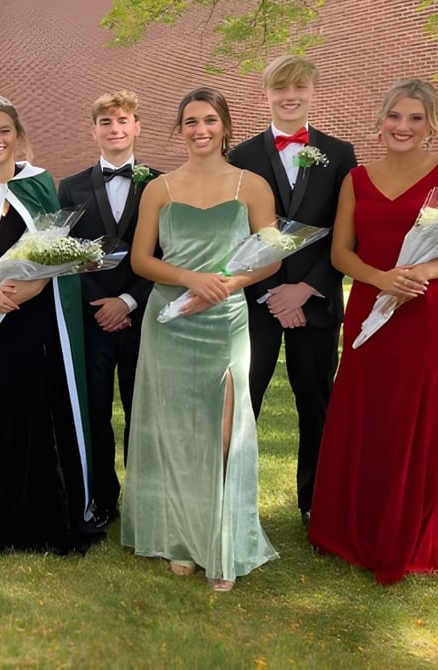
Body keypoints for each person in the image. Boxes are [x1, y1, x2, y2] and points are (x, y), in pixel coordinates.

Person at [121, 88, 279, 591]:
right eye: (189, 121)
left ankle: (222, 539)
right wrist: (192, 280)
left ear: (225, 126)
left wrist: (226, 285)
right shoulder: (159, 189)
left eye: (209, 120)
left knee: (224, 427)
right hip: (170, 320)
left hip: (226, 320)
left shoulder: (252, 186)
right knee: (176, 429)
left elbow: (271, 258)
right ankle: (182, 537)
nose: (200, 129)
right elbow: (141, 260)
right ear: (179, 129)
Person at [0, 94, 95, 554]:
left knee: (32, 408)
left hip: (32, 321)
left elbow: (55, 250)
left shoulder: (40, 184)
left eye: (4, 131)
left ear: (18, 136)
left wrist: (34, 288)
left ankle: (40, 509)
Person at [309, 78, 438, 584]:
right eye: (395, 116)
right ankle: (350, 527)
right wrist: (380, 277)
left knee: (413, 416)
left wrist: (418, 276)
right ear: (381, 120)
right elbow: (340, 252)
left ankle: (407, 531)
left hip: (423, 312)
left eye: (415, 118)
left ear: (431, 125)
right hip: (368, 308)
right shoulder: (356, 179)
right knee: (365, 411)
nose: (403, 127)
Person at [228, 55, 357, 528]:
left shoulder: (341, 153)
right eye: (280, 88)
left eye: (299, 87)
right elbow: (234, 233)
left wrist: (304, 289)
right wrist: (274, 292)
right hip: (257, 302)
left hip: (317, 300)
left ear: (313, 92)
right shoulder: (240, 157)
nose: (290, 96)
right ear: (264, 96)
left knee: (316, 401)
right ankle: (234, 499)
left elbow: (347, 230)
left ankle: (315, 503)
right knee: (244, 399)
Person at [57, 90, 159, 528]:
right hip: (92, 317)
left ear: (137, 126)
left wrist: (128, 300)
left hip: (143, 316)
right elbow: (64, 253)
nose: (115, 129)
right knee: (95, 412)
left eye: (123, 121)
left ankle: (144, 499)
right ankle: (102, 497)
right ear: (93, 130)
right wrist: (100, 303)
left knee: (144, 411)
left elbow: (168, 252)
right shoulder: (72, 187)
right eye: (106, 123)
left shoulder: (160, 182)